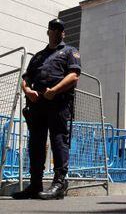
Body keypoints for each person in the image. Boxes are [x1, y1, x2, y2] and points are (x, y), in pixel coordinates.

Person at [12, 19, 81, 200]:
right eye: (53, 29)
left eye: (60, 29)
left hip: (58, 102)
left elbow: (74, 76)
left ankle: (59, 185)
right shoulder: (38, 56)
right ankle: (35, 184)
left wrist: (55, 90)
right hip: (37, 104)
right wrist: (28, 91)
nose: (57, 32)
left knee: (59, 141)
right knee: (35, 143)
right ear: (48, 32)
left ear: (63, 33)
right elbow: (25, 78)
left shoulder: (70, 51)